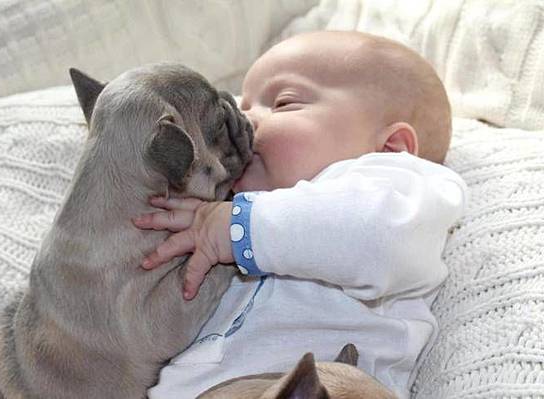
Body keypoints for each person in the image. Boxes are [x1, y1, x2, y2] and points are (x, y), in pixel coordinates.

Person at [134, 30, 468, 398]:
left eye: (282, 103)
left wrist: (237, 226)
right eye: (242, 108)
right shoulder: (230, 211)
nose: (245, 122)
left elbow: (378, 237)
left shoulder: (398, 187)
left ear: (391, 148)